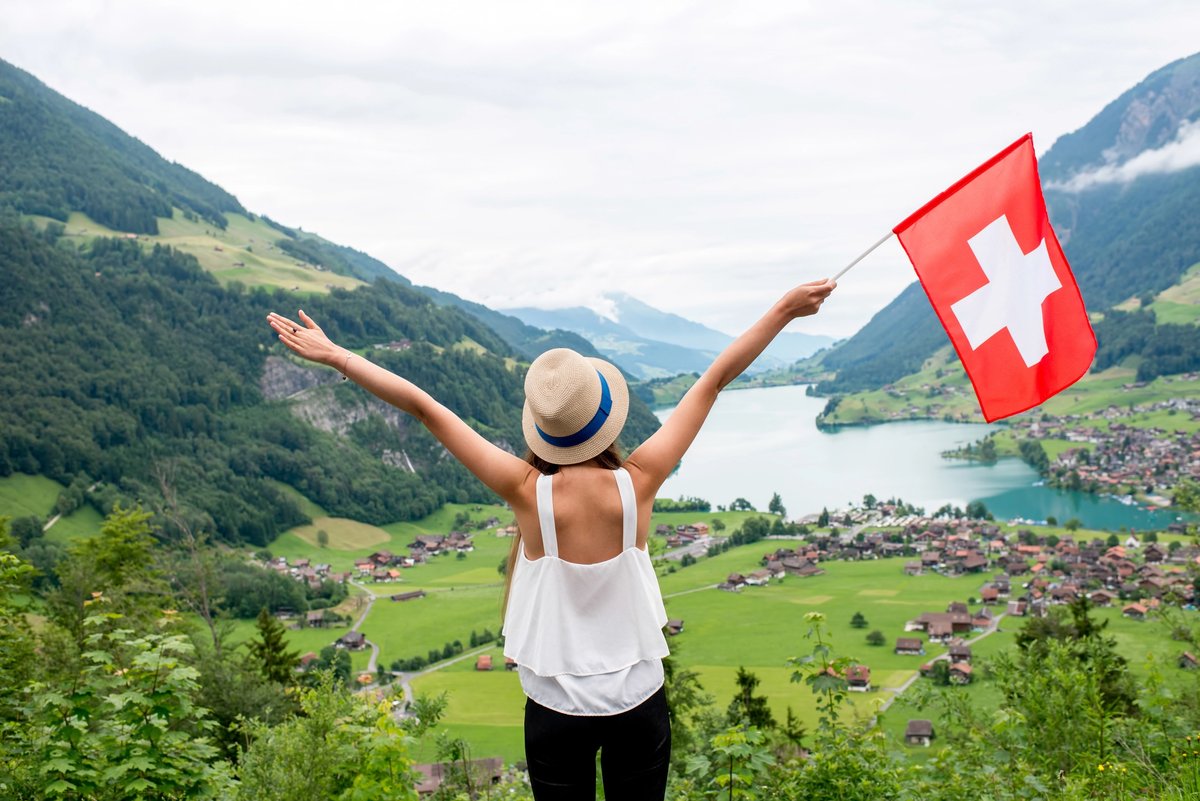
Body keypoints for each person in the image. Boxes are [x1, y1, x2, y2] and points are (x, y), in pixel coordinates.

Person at [265, 276, 835, 800]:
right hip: (639, 702)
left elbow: (424, 407)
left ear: (542, 426)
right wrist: (784, 309)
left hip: (556, 710)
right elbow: (713, 381)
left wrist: (338, 355)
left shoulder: (525, 490)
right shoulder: (639, 482)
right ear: (605, 414)